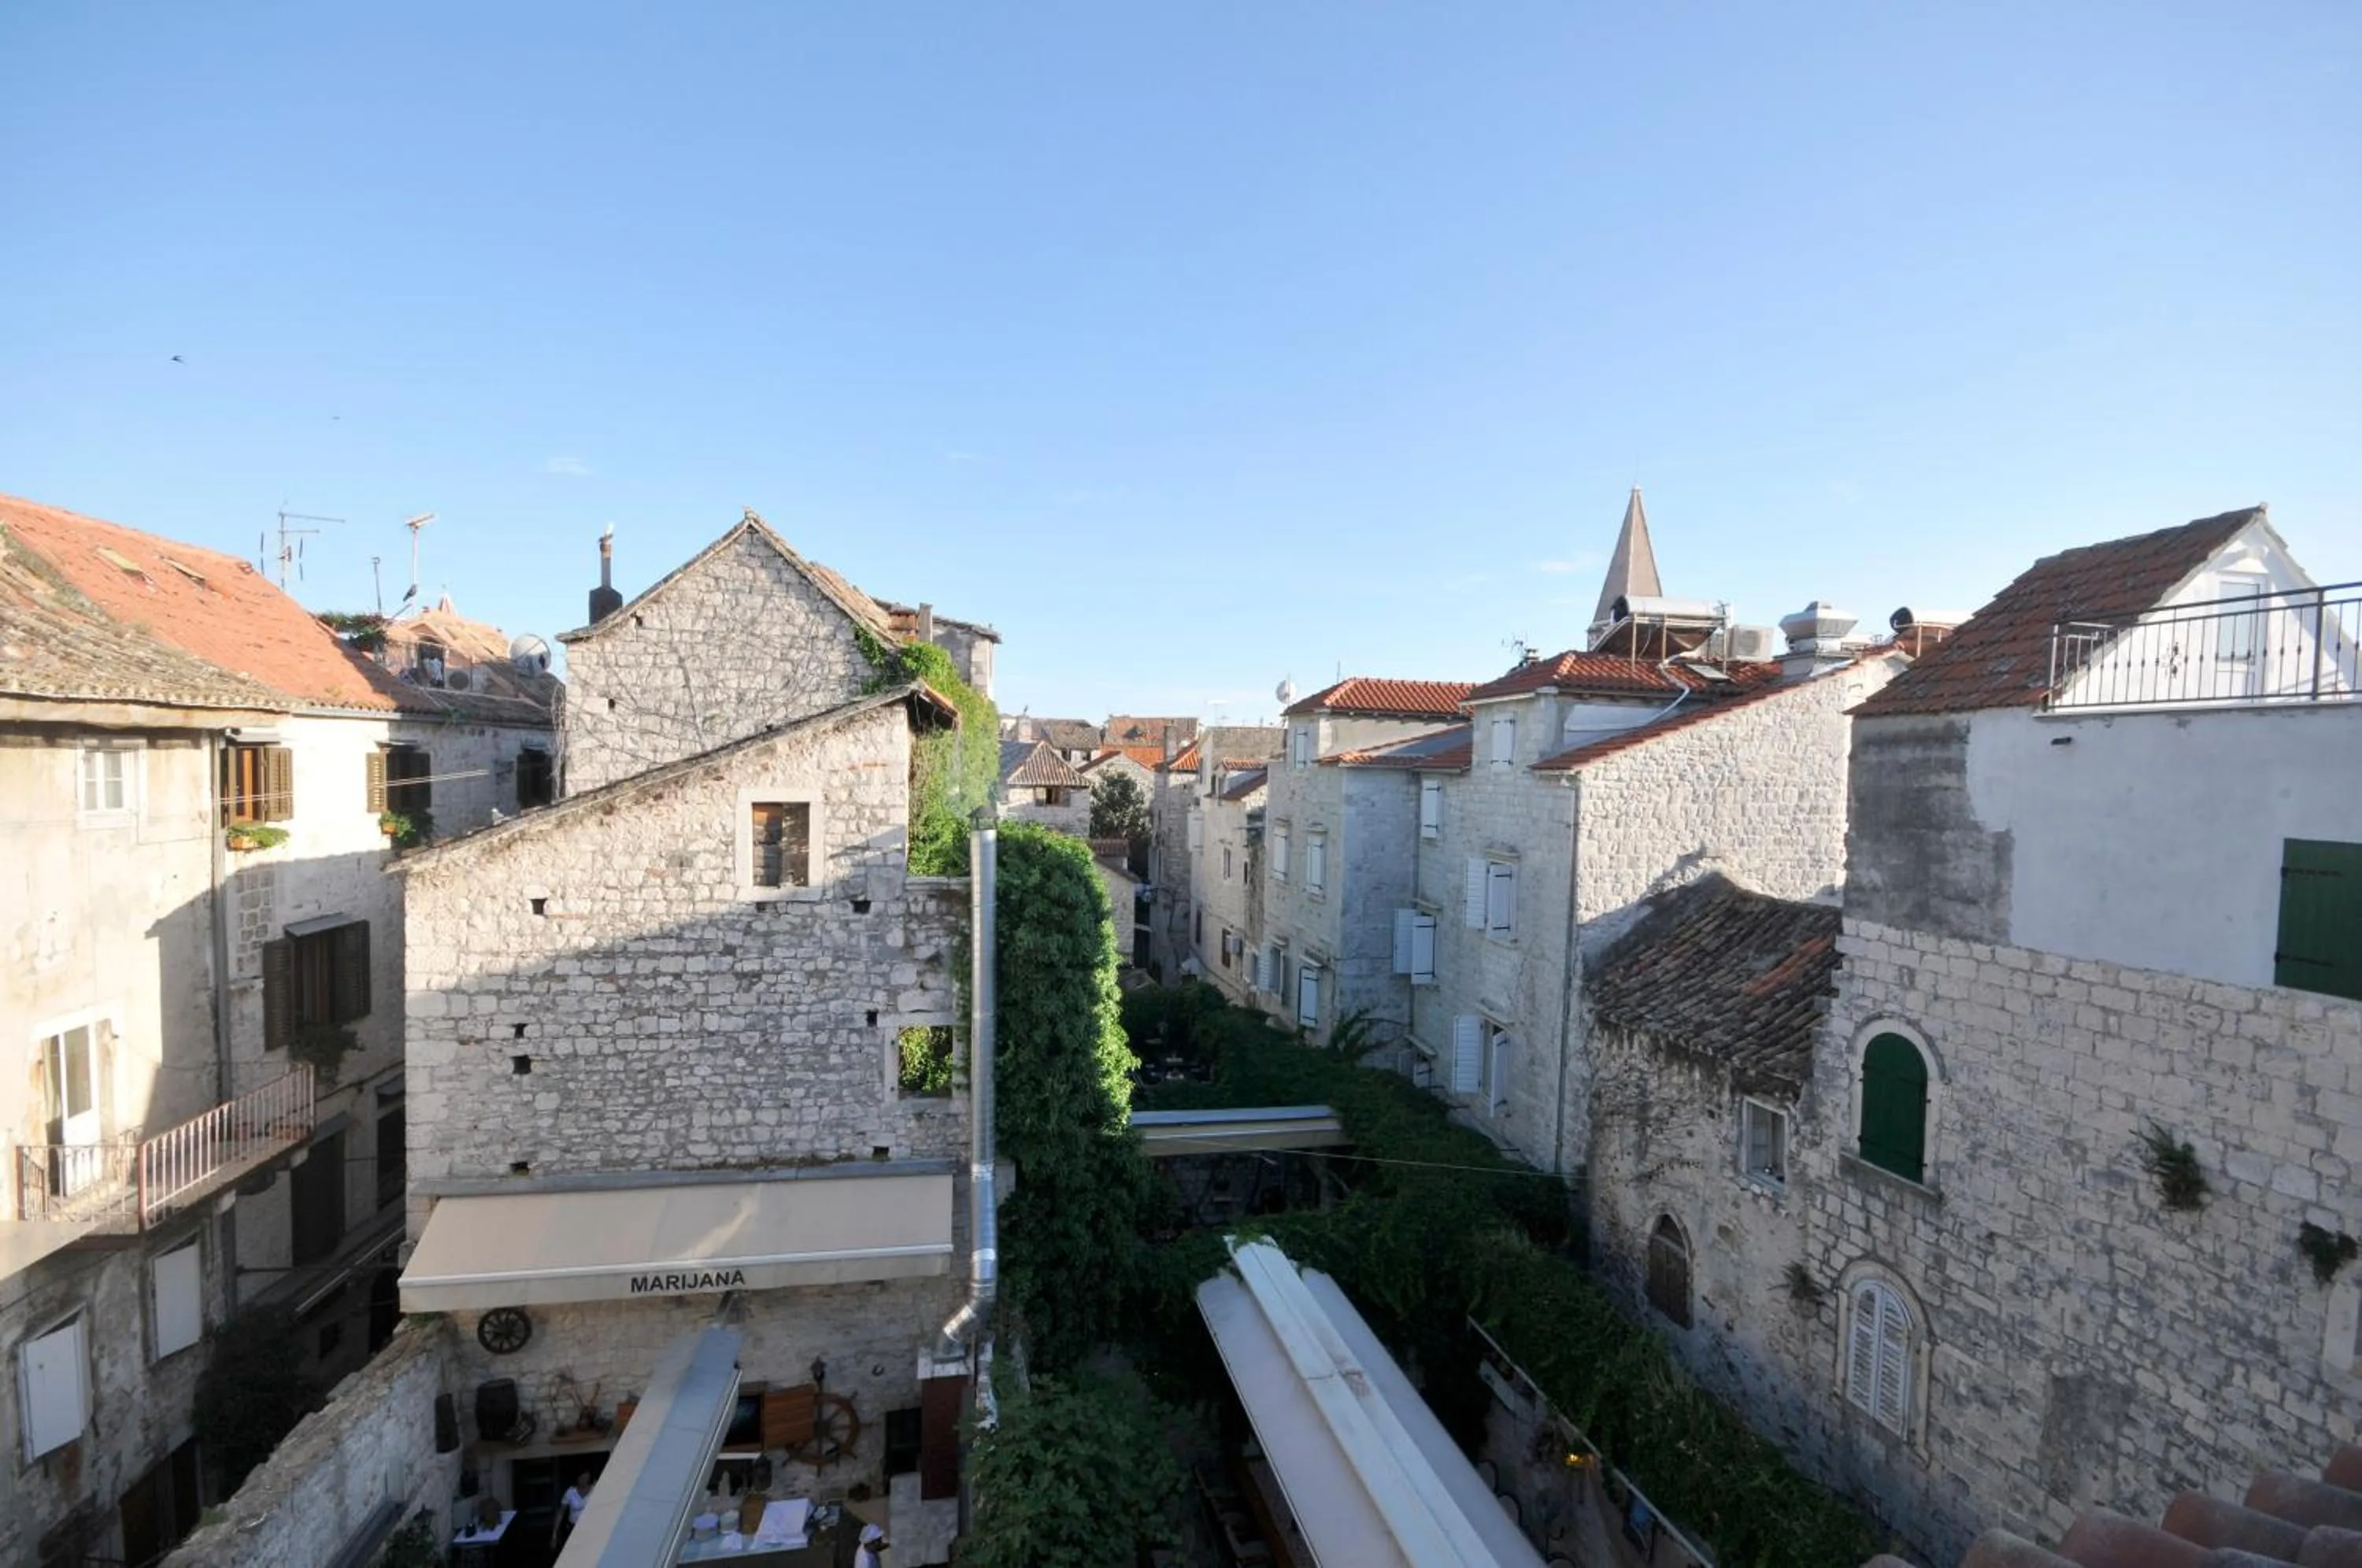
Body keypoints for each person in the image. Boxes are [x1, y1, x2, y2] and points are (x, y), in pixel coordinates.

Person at [553, 1473, 594, 1551]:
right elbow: (561, 1512)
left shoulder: (595, 1490)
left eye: (585, 1476)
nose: (583, 1479)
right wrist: (554, 1534)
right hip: (573, 1528)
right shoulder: (570, 1492)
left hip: (590, 1528)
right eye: (581, 1477)